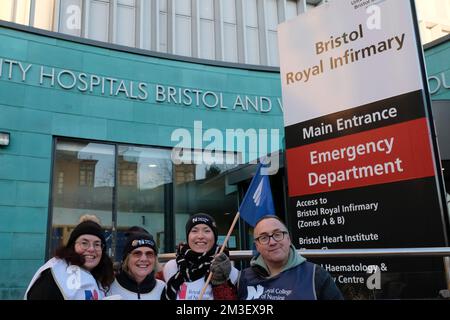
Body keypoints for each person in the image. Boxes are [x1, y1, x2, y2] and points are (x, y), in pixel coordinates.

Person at [237, 215, 343, 300]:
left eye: (278, 234)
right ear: (257, 246)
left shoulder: (315, 275)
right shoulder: (243, 279)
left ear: (288, 239)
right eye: (264, 238)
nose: (272, 242)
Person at [25, 216, 114, 300]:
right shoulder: (53, 275)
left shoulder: (102, 277)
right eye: (84, 243)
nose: (91, 249)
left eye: (97, 244)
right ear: (72, 246)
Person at [162, 213, 238, 300]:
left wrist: (220, 281)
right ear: (188, 236)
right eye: (194, 231)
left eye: (207, 231)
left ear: (215, 237)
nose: (200, 236)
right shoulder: (171, 267)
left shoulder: (228, 271)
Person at [109, 231, 165, 299]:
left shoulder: (163, 288)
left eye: (149, 254)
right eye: (137, 253)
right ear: (126, 258)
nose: (144, 259)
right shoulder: (109, 287)